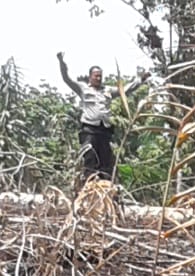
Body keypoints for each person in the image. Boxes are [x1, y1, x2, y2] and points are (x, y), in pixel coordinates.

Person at [57, 52, 149, 188]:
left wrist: (140, 80)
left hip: (104, 131)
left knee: (105, 161)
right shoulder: (83, 88)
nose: (99, 78)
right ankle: (89, 186)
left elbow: (125, 90)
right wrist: (61, 62)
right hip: (89, 129)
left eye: (100, 76)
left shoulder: (107, 90)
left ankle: (105, 186)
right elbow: (66, 78)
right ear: (90, 77)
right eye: (96, 76)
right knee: (90, 157)